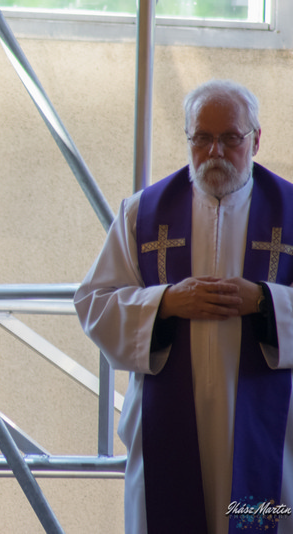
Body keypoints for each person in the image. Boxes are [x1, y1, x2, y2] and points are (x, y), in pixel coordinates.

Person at [75, 79, 293, 533]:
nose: (215, 151)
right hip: (167, 430)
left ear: (256, 140)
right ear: (188, 138)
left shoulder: (290, 211)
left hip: (269, 432)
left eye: (230, 138)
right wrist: (165, 303)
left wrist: (264, 302)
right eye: (202, 138)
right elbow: (94, 304)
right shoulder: (141, 213)